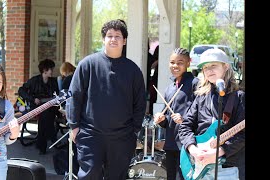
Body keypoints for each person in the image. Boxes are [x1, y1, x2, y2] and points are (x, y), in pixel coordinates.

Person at [66, 19, 147, 180]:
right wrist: (74, 126)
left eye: (118, 36)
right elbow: (74, 96)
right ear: (103, 39)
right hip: (90, 135)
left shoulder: (133, 70)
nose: (113, 39)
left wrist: (134, 130)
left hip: (122, 137)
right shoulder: (87, 65)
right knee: (89, 176)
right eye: (109, 35)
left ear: (124, 41)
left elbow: (140, 103)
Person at [178, 48, 245, 180]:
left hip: (228, 167)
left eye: (213, 65)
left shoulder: (239, 97)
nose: (209, 70)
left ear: (225, 67)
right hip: (198, 164)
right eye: (205, 67)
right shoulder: (201, 97)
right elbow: (185, 126)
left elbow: (242, 136)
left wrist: (219, 151)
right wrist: (193, 149)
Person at [153, 48, 199, 180]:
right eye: (172, 62)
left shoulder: (195, 84)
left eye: (180, 62)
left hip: (187, 143)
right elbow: (167, 120)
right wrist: (161, 119)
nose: (175, 66)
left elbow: (201, 113)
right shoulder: (170, 88)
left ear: (188, 63)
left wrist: (183, 119)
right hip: (171, 143)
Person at [18, 58, 60, 155]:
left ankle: (42, 144)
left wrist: (54, 99)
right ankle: (51, 137)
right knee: (45, 115)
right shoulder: (34, 80)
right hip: (36, 106)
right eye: (51, 69)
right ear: (45, 70)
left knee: (46, 115)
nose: (52, 71)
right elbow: (21, 90)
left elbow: (57, 94)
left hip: (50, 106)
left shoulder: (53, 81)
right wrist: (33, 99)